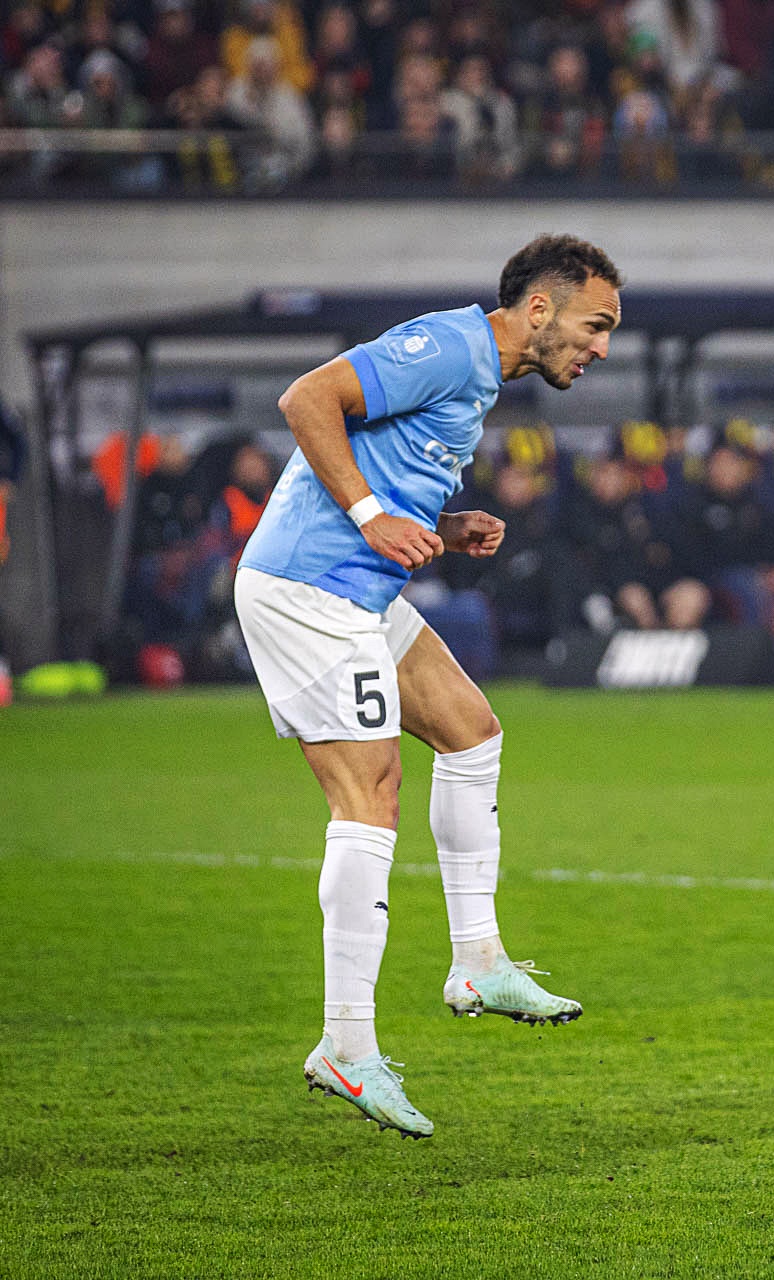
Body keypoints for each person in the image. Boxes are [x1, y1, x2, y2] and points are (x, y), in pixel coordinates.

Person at [234, 234, 623, 1139]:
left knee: (471, 730)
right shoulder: (448, 345)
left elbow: (376, 457)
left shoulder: (478, 375)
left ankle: (479, 961)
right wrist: (374, 517)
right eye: (596, 325)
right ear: (539, 308)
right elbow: (307, 399)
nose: (602, 347)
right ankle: (345, 1045)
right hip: (309, 588)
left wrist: (439, 527)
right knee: (370, 797)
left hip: (359, 586)